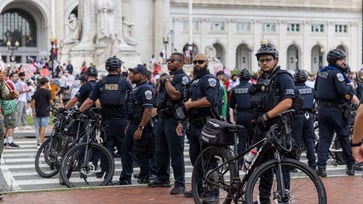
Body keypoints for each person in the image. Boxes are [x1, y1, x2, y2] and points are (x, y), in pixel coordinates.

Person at [248, 43, 296, 204]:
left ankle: (284, 198)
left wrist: (267, 116)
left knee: (281, 168)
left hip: (279, 129)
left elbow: (288, 102)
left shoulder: (284, 77)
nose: (264, 63)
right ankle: (264, 199)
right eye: (261, 60)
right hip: (262, 129)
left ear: (275, 60)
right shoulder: (262, 77)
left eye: (268, 59)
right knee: (263, 168)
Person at [175, 53, 221, 201]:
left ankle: (213, 193)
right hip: (193, 125)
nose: (197, 64)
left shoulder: (210, 80)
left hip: (206, 125)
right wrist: (181, 122)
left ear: (207, 63)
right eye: (195, 61)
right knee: (196, 159)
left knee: (209, 160)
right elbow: (186, 104)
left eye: (200, 62)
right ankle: (200, 188)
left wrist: (191, 104)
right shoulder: (194, 81)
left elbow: (210, 100)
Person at [79, 56, 132, 181]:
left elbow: (90, 101)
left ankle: (107, 177)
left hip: (106, 122)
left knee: (106, 151)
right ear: (118, 69)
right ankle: (125, 178)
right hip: (122, 122)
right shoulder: (125, 83)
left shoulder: (101, 83)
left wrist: (79, 111)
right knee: (125, 151)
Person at [148, 53, 190, 195]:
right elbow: (158, 96)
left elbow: (175, 95)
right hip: (163, 116)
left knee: (175, 152)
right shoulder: (167, 77)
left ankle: (180, 183)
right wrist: (161, 82)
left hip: (175, 118)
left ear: (181, 63)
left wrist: (166, 81)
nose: (169, 63)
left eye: (172, 61)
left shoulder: (181, 78)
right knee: (160, 150)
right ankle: (162, 178)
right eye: (169, 60)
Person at [314, 48, 355, 177]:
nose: (343, 62)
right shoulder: (337, 74)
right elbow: (343, 91)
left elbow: (316, 89)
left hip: (322, 110)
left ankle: (321, 166)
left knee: (324, 139)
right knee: (344, 138)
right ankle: (350, 166)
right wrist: (350, 86)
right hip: (336, 110)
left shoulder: (321, 72)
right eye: (341, 59)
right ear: (335, 61)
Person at [119, 64, 154, 185]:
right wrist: (129, 124)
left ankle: (145, 177)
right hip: (133, 124)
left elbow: (148, 110)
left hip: (142, 125)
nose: (131, 75)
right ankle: (126, 177)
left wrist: (140, 128)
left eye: (134, 73)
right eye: (131, 72)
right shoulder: (136, 89)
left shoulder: (146, 89)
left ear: (143, 75)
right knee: (125, 151)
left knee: (142, 153)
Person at [291, 70, 316, 170]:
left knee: (296, 141)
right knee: (310, 141)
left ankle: (294, 164)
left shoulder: (294, 90)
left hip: (297, 116)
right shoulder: (311, 89)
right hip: (309, 116)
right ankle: (312, 164)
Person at [229, 68, 253, 164]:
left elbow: (231, 106)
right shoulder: (253, 87)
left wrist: (232, 119)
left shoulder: (235, 89)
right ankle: (251, 161)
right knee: (252, 140)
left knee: (241, 140)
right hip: (251, 116)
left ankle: (239, 162)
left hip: (240, 116)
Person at [31, 77, 54, 146]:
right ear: (46, 83)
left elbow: (33, 103)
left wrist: (33, 111)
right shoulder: (47, 92)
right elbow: (51, 102)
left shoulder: (36, 91)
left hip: (37, 112)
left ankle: (38, 141)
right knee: (43, 127)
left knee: (38, 128)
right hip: (45, 112)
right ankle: (41, 143)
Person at [3, 73, 20, 148]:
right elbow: (14, 93)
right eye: (15, 76)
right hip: (10, 106)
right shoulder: (7, 82)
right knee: (11, 125)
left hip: (6, 105)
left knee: (7, 125)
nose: (17, 78)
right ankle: (10, 141)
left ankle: (4, 141)